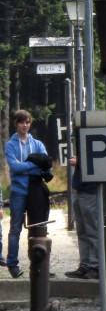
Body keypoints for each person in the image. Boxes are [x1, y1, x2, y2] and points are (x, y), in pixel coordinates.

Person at [3, 109, 50, 278]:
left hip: (35, 191)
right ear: (16, 124)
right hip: (18, 192)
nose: (25, 125)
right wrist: (34, 165)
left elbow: (47, 165)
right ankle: (12, 263)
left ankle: (38, 264)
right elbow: (14, 167)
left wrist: (27, 165)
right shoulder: (10, 145)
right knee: (15, 228)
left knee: (37, 228)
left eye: (28, 122)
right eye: (22, 122)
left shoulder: (37, 144)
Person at [65, 156, 100, 280]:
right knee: (82, 231)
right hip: (80, 189)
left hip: (89, 190)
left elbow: (98, 160)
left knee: (92, 230)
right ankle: (85, 264)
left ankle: (96, 266)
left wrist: (80, 162)